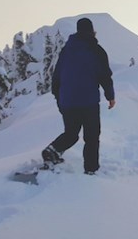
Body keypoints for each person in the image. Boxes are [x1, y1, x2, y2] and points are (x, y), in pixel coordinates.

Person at [42, 17, 116, 174]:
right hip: (88, 101)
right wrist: (110, 96)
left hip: (67, 101)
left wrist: (59, 98)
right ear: (92, 30)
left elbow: (56, 77)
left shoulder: (66, 50)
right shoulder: (96, 50)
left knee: (71, 133)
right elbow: (104, 75)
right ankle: (90, 170)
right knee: (91, 136)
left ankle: (52, 151)